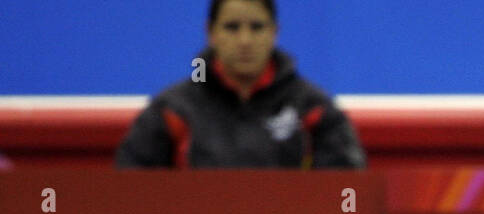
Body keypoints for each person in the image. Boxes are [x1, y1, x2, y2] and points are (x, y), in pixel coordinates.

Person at [116, 0, 365, 169]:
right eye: (232, 27)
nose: (245, 40)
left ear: (274, 32)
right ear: (210, 33)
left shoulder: (312, 108)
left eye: (256, 27)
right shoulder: (173, 109)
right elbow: (130, 193)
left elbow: (349, 193)